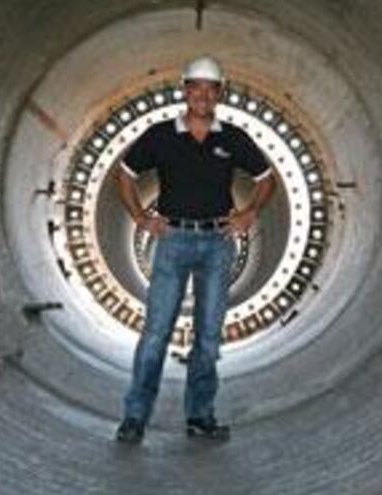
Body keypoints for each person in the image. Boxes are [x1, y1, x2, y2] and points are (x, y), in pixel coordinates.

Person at [115, 56, 276, 443]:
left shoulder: (232, 138)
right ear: (185, 90)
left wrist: (249, 212)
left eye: (211, 88)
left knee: (208, 336)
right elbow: (124, 174)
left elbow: (267, 177)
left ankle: (199, 417)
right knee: (156, 333)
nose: (203, 95)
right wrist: (139, 217)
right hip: (173, 241)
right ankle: (135, 417)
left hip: (217, 244)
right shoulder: (160, 135)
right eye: (196, 87)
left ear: (220, 93)